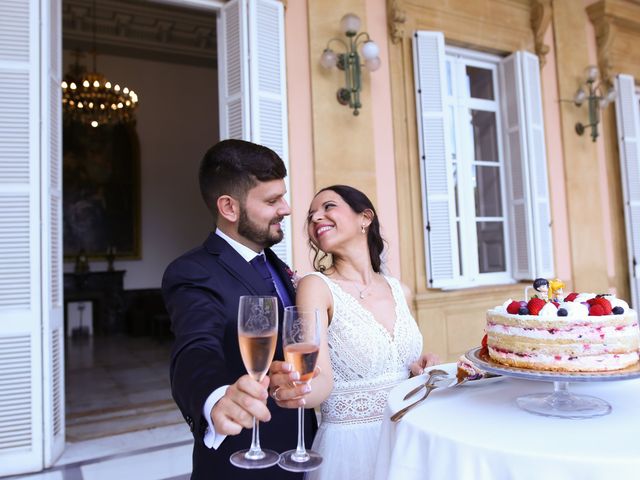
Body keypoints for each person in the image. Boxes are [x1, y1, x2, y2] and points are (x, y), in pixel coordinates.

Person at [162, 139, 316, 480]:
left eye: (284, 196)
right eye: (273, 200)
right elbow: (194, 348)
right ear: (229, 208)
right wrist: (216, 397)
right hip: (241, 460)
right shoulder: (192, 272)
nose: (287, 208)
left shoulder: (277, 265)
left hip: (301, 446)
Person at [269, 185, 439, 480]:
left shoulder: (401, 290)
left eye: (328, 207)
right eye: (310, 216)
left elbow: (400, 370)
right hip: (351, 450)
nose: (316, 218)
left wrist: (421, 370)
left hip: (409, 438)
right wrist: (295, 391)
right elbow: (317, 380)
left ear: (365, 218)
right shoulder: (316, 287)